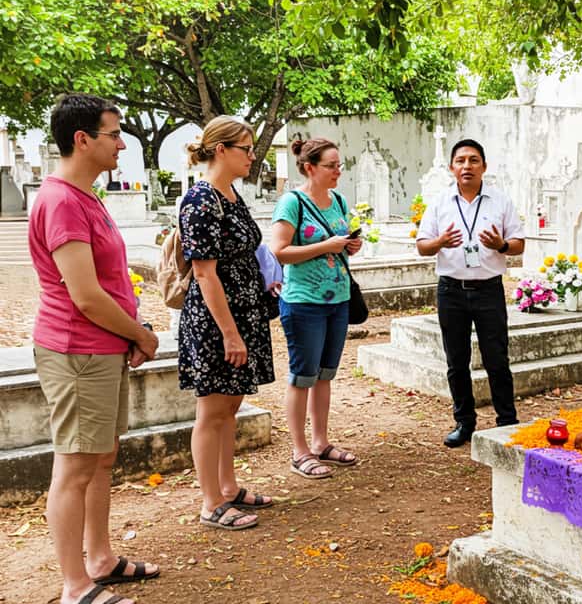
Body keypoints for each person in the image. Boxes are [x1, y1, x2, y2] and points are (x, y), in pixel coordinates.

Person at [28, 93, 160, 604]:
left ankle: (100, 558)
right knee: (75, 465)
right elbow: (84, 295)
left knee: (101, 457)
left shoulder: (85, 196)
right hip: (77, 350)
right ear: (82, 139)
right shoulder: (61, 200)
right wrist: (140, 334)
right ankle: (74, 586)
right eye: (114, 134)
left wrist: (129, 328)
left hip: (101, 349)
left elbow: (106, 282)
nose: (122, 143)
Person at [179, 116, 276, 530]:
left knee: (231, 405)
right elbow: (204, 273)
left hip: (244, 311)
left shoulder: (231, 195)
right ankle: (210, 501)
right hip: (217, 321)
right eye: (246, 149)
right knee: (212, 409)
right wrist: (230, 333)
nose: (252, 156)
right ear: (221, 150)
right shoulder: (201, 200)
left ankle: (228, 486)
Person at [416, 138, 525, 447]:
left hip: (489, 290)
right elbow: (423, 246)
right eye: (461, 160)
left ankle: (506, 421)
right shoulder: (440, 202)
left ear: (484, 167)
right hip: (451, 291)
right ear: (452, 167)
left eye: (474, 160)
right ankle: (464, 422)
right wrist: (440, 243)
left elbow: (518, 243)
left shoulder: (500, 201)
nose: (467, 166)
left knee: (497, 358)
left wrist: (500, 245)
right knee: (456, 361)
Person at [270, 137, 362, 479]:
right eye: (331, 165)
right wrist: (327, 245)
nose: (338, 171)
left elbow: (341, 243)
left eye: (340, 165)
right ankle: (300, 450)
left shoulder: (338, 200)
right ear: (310, 167)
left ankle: (321, 442)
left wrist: (350, 246)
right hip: (303, 302)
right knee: (302, 376)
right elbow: (277, 251)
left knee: (325, 375)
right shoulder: (292, 202)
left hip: (338, 300)